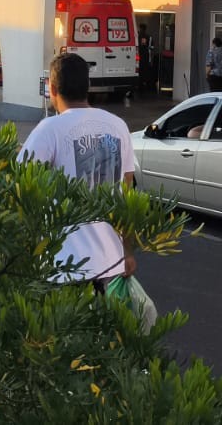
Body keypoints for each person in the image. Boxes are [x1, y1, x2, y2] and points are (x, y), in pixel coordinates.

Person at [20, 52, 135, 287]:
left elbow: (21, 188)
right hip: (111, 263)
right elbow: (127, 195)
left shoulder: (49, 129)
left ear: (52, 88)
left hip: (63, 266)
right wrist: (127, 251)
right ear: (88, 86)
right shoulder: (118, 126)